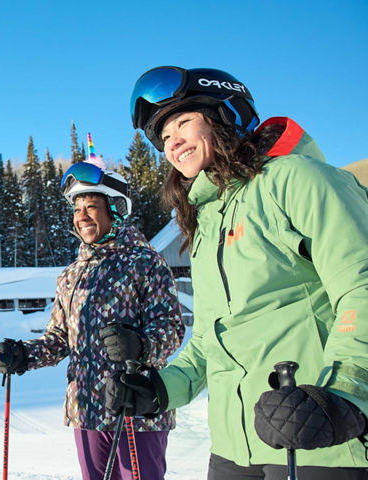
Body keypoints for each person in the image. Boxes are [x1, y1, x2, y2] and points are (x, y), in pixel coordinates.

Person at [107, 65, 368, 479]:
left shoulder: (296, 180)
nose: (172, 141)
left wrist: (344, 394)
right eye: (163, 137)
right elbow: (211, 340)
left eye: (182, 121)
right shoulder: (206, 222)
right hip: (233, 450)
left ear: (225, 114)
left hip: (319, 439)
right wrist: (160, 389)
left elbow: (361, 285)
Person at [0, 139, 185, 480]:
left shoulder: (145, 263)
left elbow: (171, 329)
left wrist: (141, 346)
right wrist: (25, 354)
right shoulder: (70, 275)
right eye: (76, 208)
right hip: (87, 410)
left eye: (91, 206)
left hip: (136, 410)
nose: (81, 216)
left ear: (115, 208)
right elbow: (59, 338)